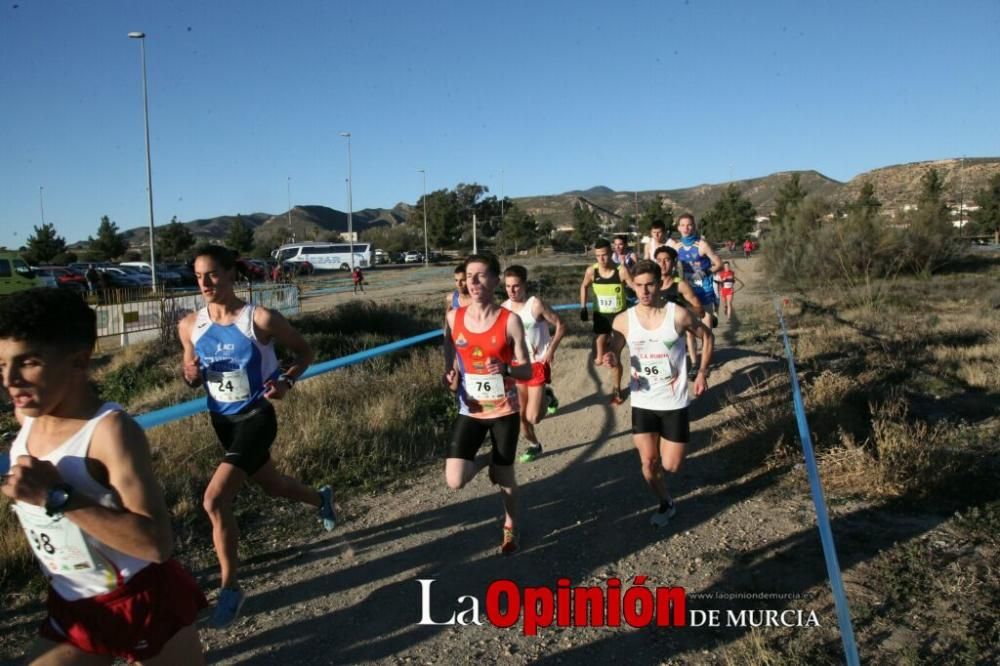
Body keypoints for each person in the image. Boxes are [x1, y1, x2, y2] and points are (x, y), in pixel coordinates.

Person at [1, 288, 207, 664]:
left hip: (142, 598)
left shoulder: (110, 432)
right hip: (73, 601)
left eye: (28, 362)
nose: (11, 380)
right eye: (1, 364)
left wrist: (56, 496)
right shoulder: (25, 416)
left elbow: (157, 544)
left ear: (79, 360)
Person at [177, 244, 336, 629]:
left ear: (231, 273)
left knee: (214, 500)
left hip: (257, 418)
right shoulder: (189, 325)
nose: (205, 283)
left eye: (212, 273)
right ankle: (321, 499)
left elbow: (305, 352)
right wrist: (190, 373)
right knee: (272, 485)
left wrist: (286, 381)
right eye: (199, 276)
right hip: (222, 421)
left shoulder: (260, 319)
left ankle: (230, 587)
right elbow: (188, 368)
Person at [602, 260, 714, 527]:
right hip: (643, 401)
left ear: (660, 284)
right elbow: (615, 350)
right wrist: (611, 357)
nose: (644, 291)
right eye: (639, 285)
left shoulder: (678, 314)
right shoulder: (623, 320)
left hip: (673, 402)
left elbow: (707, 337)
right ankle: (666, 502)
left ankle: (665, 473)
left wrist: (701, 373)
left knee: (672, 465)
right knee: (649, 463)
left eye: (650, 284)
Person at [443, 254, 533, 554]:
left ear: (495, 280)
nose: (475, 281)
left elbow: (527, 370)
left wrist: (506, 369)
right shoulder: (454, 317)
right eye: (470, 276)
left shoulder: (511, 321)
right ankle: (487, 461)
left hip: (504, 411)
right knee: (454, 480)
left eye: (482, 275)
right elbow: (450, 349)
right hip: (471, 408)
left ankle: (511, 525)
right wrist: (451, 372)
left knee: (507, 480)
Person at [501, 265, 566, 463]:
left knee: (533, 417)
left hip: (537, 363)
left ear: (525, 285)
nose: (512, 291)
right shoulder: (504, 308)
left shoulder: (535, 304)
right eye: (508, 286)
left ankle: (546, 395)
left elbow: (561, 325)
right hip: (518, 365)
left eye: (516, 286)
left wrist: (551, 350)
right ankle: (534, 445)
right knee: (520, 416)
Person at [579, 239, 634, 405]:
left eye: (604, 255)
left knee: (614, 355)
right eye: (598, 256)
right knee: (599, 350)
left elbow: (634, 286)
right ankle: (601, 355)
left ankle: (617, 390)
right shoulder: (591, 271)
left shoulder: (621, 271)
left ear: (611, 254)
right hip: (601, 317)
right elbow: (584, 286)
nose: (601, 259)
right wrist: (583, 307)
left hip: (619, 317)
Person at [666, 214, 723, 373]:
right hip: (688, 294)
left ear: (694, 227)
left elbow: (719, 263)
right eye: (683, 225)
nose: (686, 228)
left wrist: (705, 271)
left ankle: (705, 364)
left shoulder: (702, 245)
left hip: (705, 291)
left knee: (706, 330)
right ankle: (694, 363)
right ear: (678, 228)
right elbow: (668, 265)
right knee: (690, 332)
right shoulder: (676, 248)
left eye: (689, 225)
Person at [654, 246, 705, 321]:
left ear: (674, 263)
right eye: (659, 260)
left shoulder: (681, 285)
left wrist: (678, 309)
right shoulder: (650, 284)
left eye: (667, 260)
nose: (662, 264)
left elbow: (700, 312)